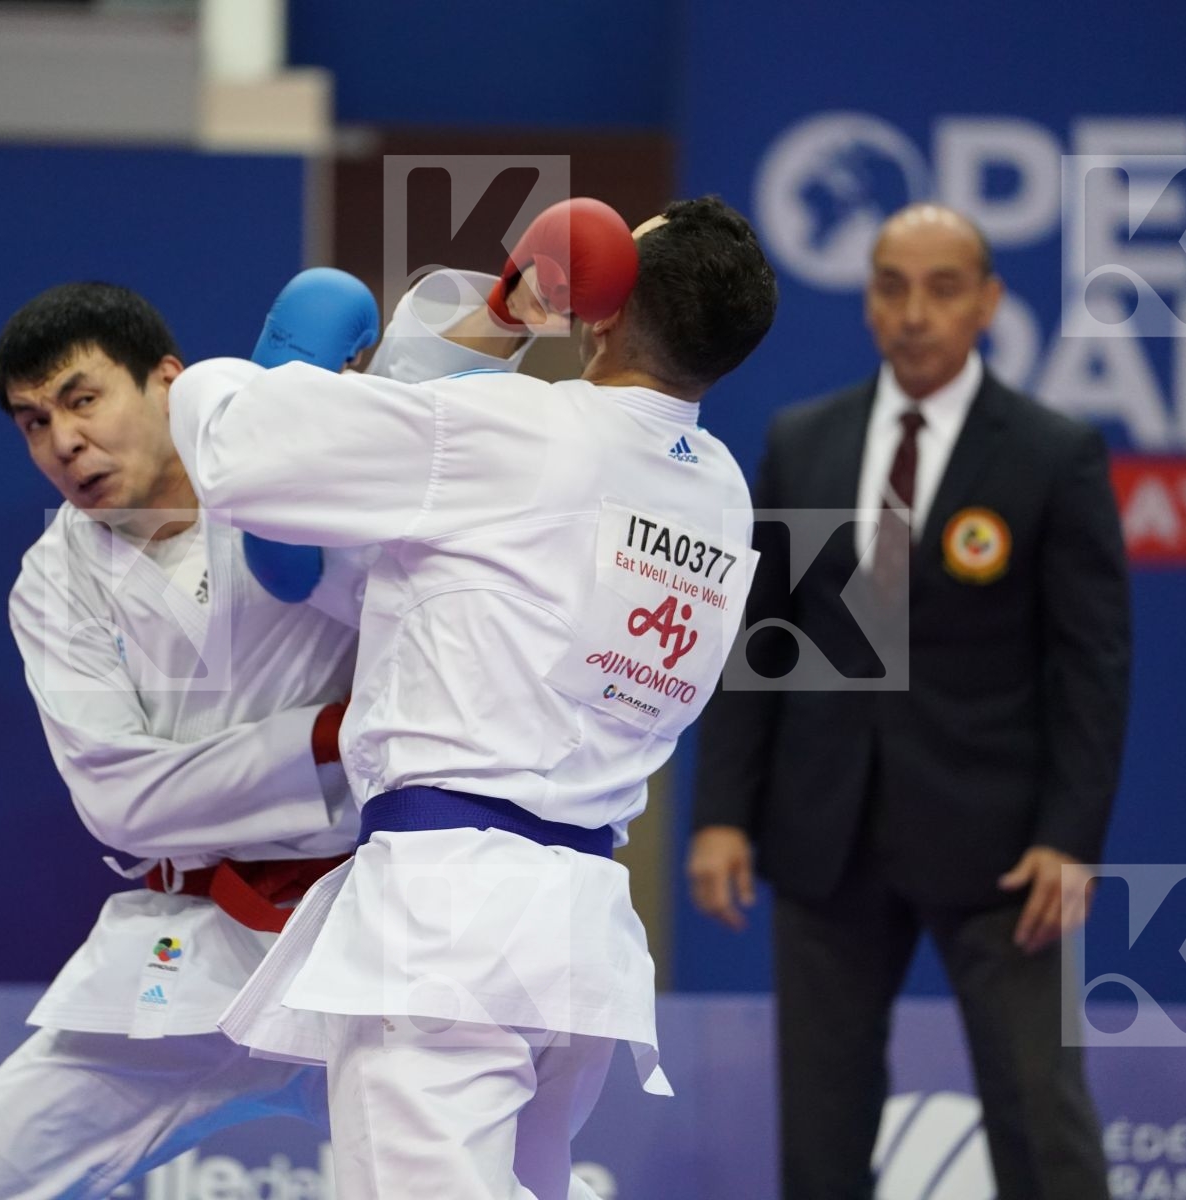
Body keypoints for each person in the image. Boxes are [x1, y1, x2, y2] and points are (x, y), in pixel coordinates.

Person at [0, 271, 542, 1200]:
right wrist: (338, 732)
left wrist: (510, 305)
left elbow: (420, 382)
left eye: (81, 399)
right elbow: (124, 806)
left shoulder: (289, 470)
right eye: (33, 423)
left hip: (375, 936)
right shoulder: (53, 583)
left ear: (168, 380)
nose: (64, 443)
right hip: (189, 952)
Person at [173, 195, 779, 1200]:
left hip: (449, 929)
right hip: (577, 938)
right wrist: (500, 316)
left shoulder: (516, 431)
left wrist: (292, 352)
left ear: (606, 299)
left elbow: (237, 446)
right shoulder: (719, 490)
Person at [688, 203, 1131, 1200]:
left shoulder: (1052, 453)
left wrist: (1071, 836)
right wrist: (722, 813)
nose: (915, 312)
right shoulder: (808, 441)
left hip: (1001, 851)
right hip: (825, 835)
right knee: (821, 1133)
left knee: (1042, 1127)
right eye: (892, 287)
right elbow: (764, 643)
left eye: (941, 288)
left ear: (987, 302)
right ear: (868, 301)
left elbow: (1091, 664)